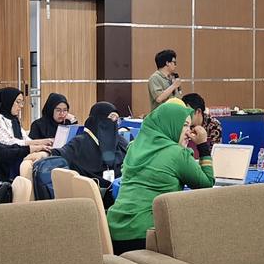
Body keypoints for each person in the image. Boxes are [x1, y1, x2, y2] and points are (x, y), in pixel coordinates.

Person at [107, 100, 214, 254]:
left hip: (114, 231)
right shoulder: (177, 154)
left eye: (190, 126)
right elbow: (207, 183)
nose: (189, 133)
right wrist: (203, 145)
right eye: (184, 125)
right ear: (169, 124)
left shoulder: (134, 146)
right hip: (144, 236)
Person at [55, 102, 127, 197]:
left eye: (116, 119)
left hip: (121, 194)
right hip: (91, 197)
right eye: (111, 117)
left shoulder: (121, 142)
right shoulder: (80, 142)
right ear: (97, 119)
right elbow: (60, 154)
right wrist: (44, 152)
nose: (114, 122)